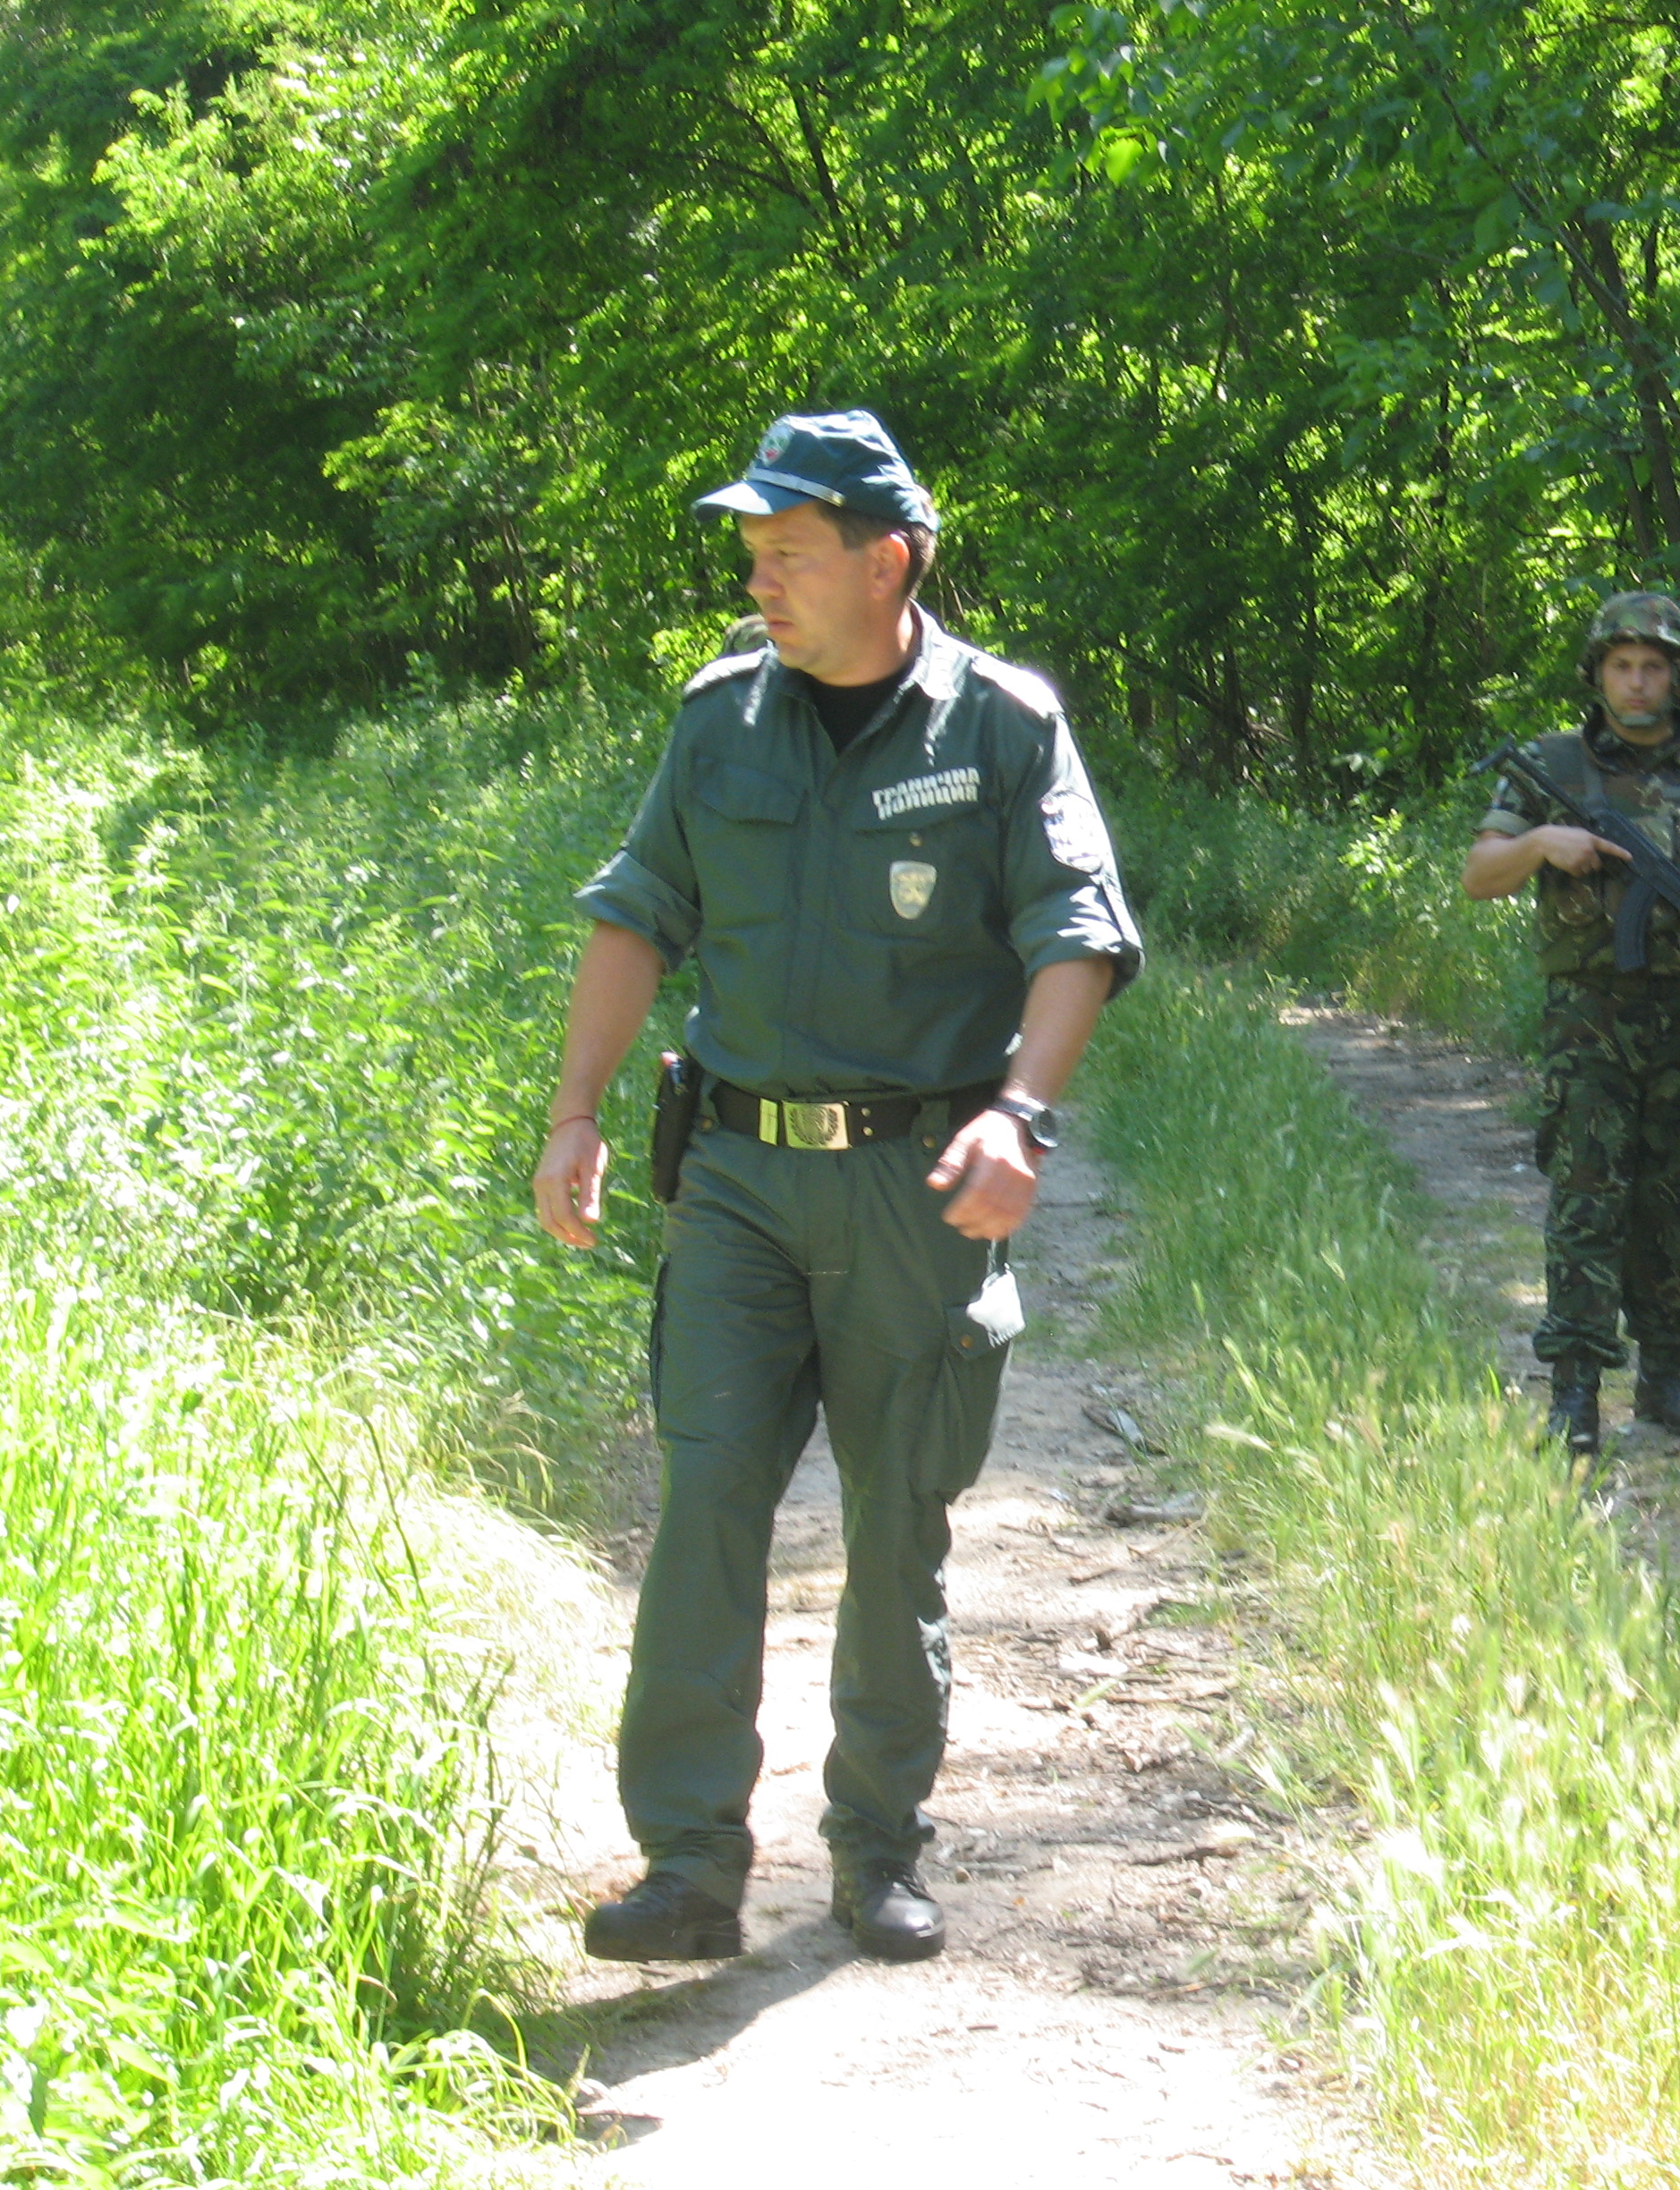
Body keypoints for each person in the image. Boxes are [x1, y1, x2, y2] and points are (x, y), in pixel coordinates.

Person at [531, 411, 1141, 1963]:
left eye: (788, 554)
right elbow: (633, 911)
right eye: (751, 557)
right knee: (706, 1502)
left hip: (914, 1190)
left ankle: (876, 1845)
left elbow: (1076, 931)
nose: (761, 585)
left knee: (892, 1528)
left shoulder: (999, 728)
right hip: (734, 1174)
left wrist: (1021, 1113)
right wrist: (576, 1111)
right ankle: (688, 1861)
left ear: (890, 557)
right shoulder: (717, 721)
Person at [1464, 592, 1680, 1456]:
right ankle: (1576, 1390)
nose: (1637, 682)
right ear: (1598, 673)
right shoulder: (1552, 765)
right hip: (1589, 1018)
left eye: (1653, 666)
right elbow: (1481, 873)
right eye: (1622, 666)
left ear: (1679, 673)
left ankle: (1665, 1375)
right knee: (1588, 1195)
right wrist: (1544, 843)